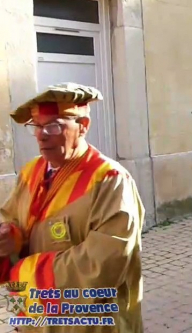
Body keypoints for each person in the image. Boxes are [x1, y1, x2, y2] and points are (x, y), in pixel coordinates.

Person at [0, 83, 145, 332]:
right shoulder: (31, 171)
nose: (41, 135)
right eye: (36, 125)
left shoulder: (110, 180)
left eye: (54, 125)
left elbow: (102, 265)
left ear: (83, 127)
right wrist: (9, 236)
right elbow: (11, 218)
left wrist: (24, 273)